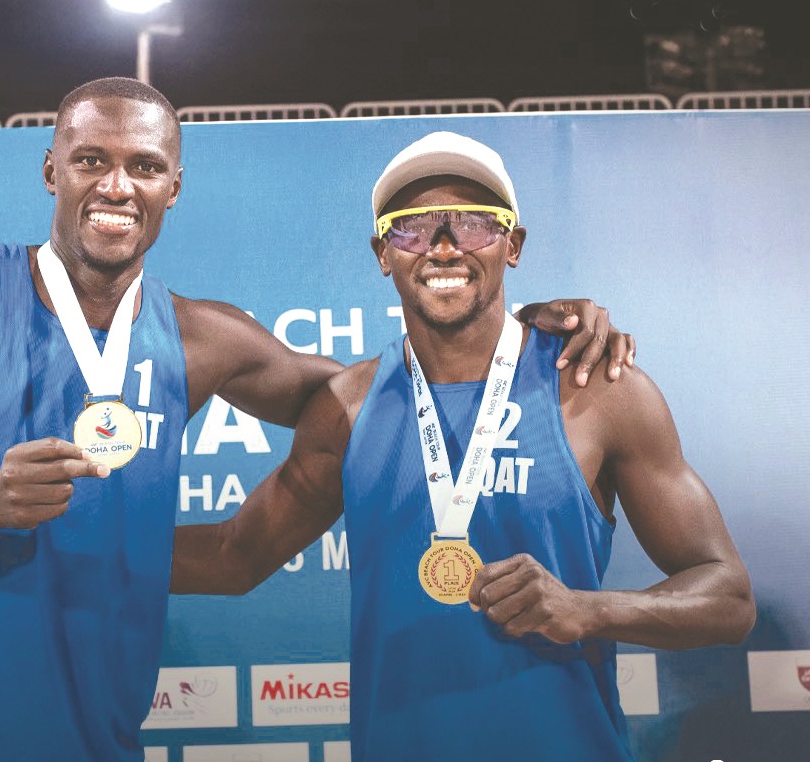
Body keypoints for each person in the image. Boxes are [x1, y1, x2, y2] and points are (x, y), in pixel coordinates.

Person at [0, 78, 633, 761]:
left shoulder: (203, 338)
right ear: (51, 171)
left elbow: (392, 386)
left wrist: (520, 326)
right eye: (91, 161)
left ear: (172, 186)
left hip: (100, 739)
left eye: (144, 166)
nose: (117, 186)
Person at [171, 131, 755, 761]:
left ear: (514, 245)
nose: (443, 247)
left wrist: (589, 609)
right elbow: (236, 556)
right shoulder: (347, 405)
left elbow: (728, 597)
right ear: (382, 254)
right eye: (412, 229)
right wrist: (70, 542)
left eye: (474, 225)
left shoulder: (598, 391)